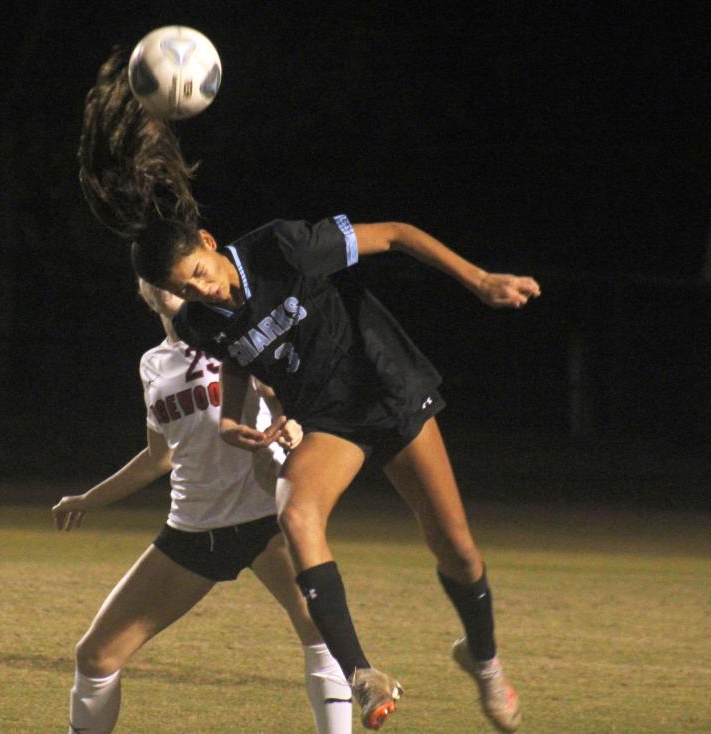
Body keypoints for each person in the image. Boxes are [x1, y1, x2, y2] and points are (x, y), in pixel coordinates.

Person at [78, 50, 540, 732]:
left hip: (388, 386)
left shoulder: (280, 249)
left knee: (458, 550)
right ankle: (360, 673)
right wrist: (237, 421)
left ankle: (485, 660)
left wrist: (479, 281)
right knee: (296, 514)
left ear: (209, 241)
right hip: (330, 420)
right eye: (181, 288)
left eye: (198, 272)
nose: (197, 290)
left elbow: (399, 235)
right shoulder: (203, 322)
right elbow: (236, 361)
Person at [52, 279, 353, 734]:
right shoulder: (152, 364)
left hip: (269, 518)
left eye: (167, 270)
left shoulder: (237, 337)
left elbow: (291, 399)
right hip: (195, 528)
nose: (160, 282)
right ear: (143, 292)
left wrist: (295, 426)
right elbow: (159, 457)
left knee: (323, 637)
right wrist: (88, 499)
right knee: (95, 656)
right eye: (148, 276)